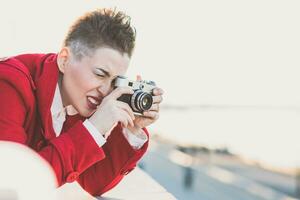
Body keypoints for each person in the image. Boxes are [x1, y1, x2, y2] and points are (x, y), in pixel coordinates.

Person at [0, 8, 164, 196]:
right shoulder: (8, 83)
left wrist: (131, 129)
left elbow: (93, 182)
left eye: (114, 82)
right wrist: (93, 130)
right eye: (100, 74)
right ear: (64, 60)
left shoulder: (76, 97)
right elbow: (12, 183)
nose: (105, 91)